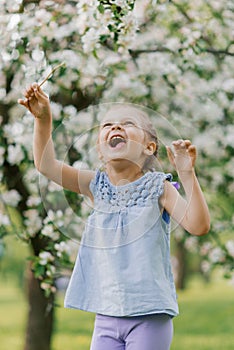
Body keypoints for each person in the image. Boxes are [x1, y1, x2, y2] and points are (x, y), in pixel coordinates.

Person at [18, 83, 210, 350]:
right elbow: (46, 165)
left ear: (149, 147)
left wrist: (187, 174)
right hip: (106, 316)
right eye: (107, 125)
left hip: (149, 315)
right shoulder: (96, 185)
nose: (115, 128)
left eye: (128, 123)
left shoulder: (158, 188)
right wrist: (43, 118)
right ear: (100, 149)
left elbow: (199, 225)